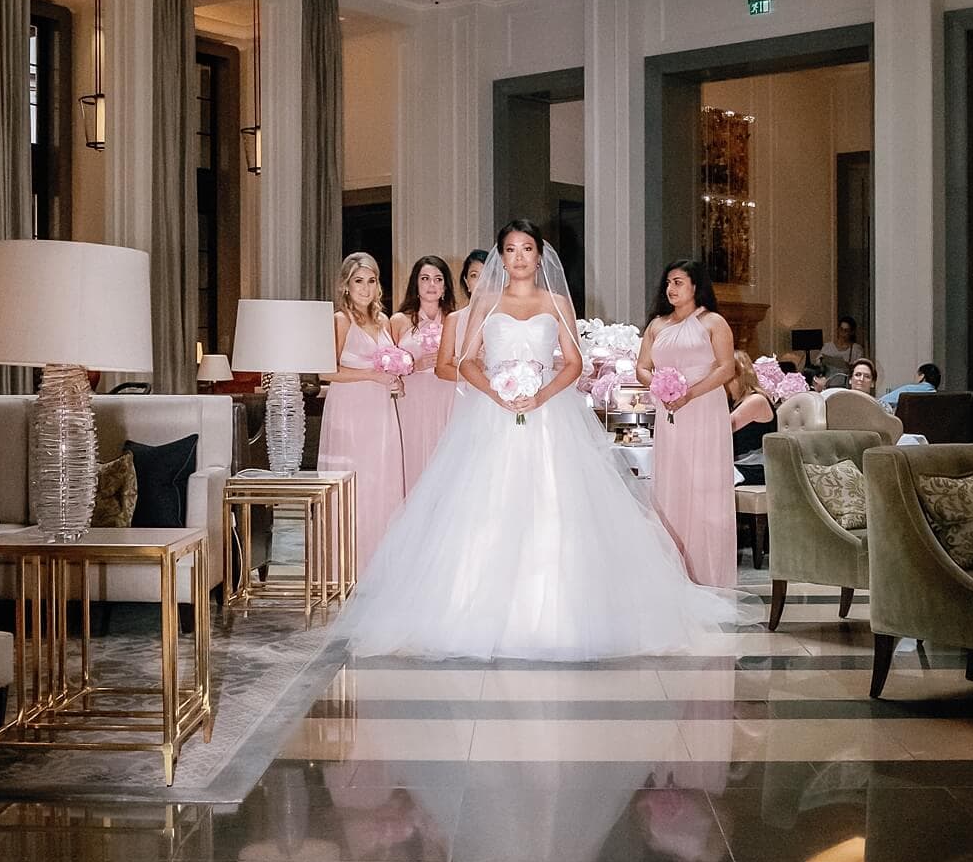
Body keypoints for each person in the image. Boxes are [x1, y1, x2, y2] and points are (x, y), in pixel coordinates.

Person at [333, 220, 751, 659]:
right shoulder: (486, 303)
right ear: (501, 256)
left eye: (527, 249)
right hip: (491, 417)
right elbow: (466, 360)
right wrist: (497, 392)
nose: (518, 257)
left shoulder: (555, 302)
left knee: (555, 503)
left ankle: (561, 610)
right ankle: (471, 610)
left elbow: (573, 362)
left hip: (549, 415)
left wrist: (541, 394)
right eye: (510, 249)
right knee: (485, 505)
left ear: (538, 255)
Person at [637, 260, 737, 585]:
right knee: (673, 483)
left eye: (678, 282)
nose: (671, 289)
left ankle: (708, 573)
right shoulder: (657, 325)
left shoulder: (713, 322)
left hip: (704, 408)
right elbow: (642, 366)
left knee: (703, 485)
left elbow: (726, 368)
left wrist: (689, 393)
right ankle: (674, 574)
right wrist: (658, 386)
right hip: (670, 414)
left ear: (695, 285)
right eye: (668, 282)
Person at [318, 252, 406, 574]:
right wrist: (371, 375)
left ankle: (381, 564)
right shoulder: (342, 320)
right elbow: (326, 371)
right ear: (346, 284)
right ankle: (348, 566)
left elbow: (389, 363)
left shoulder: (384, 322)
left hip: (381, 410)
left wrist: (395, 380)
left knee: (382, 480)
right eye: (359, 281)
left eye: (371, 281)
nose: (366, 289)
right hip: (350, 411)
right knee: (356, 482)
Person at [390, 255, 456, 488]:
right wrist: (410, 365)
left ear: (445, 286)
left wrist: (446, 361)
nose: (431, 285)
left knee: (447, 459)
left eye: (438, 279)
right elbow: (387, 363)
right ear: (415, 284)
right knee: (414, 456)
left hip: (448, 396)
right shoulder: (399, 321)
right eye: (425, 278)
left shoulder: (454, 319)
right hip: (412, 399)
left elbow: (469, 359)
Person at [435, 247, 488, 383]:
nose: (481, 282)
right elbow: (441, 369)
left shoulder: (507, 317)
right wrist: (482, 380)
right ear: (467, 282)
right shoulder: (454, 319)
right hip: (467, 393)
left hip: (505, 392)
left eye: (487, 275)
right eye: (474, 275)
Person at [729, 351, 777, 486]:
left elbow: (721, 429)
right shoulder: (734, 402)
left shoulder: (756, 400)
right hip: (740, 464)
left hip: (755, 466)